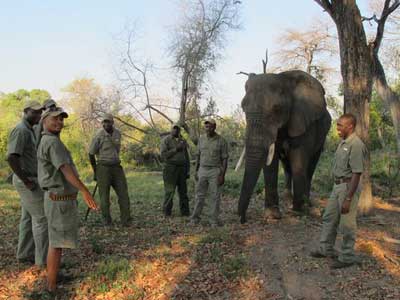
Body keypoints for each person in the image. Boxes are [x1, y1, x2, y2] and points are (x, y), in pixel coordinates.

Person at [37, 107, 99, 296]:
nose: (59, 122)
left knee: (56, 242)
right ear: (44, 120)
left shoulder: (50, 140)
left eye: (61, 119)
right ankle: (51, 288)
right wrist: (85, 191)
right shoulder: (52, 142)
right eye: (54, 119)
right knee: (56, 244)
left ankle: (53, 279)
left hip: (57, 200)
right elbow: (65, 168)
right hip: (58, 201)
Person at [310, 113, 367, 269]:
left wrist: (348, 198)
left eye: (340, 125)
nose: (337, 128)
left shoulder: (356, 144)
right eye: (337, 125)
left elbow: (357, 173)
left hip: (348, 187)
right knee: (329, 217)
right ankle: (326, 248)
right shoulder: (343, 143)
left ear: (350, 126)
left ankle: (347, 256)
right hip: (337, 186)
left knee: (347, 223)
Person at [6, 100, 48, 267]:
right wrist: (26, 181)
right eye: (35, 112)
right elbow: (11, 157)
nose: (39, 115)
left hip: (30, 178)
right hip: (27, 180)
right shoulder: (21, 130)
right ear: (25, 112)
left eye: (40, 112)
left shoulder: (30, 130)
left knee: (28, 217)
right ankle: (44, 263)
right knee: (42, 219)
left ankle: (24, 254)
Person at [89, 113, 131, 226]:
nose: (105, 124)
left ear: (112, 122)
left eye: (108, 121)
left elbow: (117, 150)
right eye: (104, 122)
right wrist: (95, 171)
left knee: (123, 194)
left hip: (116, 167)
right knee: (104, 197)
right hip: (103, 167)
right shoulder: (98, 135)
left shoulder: (118, 133)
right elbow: (91, 154)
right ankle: (107, 221)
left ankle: (126, 220)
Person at [190, 119, 228, 226]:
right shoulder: (201, 139)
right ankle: (195, 219)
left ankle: (213, 221)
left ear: (215, 127)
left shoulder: (221, 141)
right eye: (206, 127)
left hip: (215, 171)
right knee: (199, 196)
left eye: (210, 126)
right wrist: (196, 171)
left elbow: (224, 159)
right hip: (202, 169)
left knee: (214, 197)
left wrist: (222, 175)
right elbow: (198, 155)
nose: (208, 129)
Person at [160, 124, 190, 216]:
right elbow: (164, 156)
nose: (176, 131)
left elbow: (186, 156)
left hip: (182, 168)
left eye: (178, 129)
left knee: (183, 192)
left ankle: (185, 212)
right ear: (171, 130)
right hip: (170, 168)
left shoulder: (183, 140)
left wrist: (187, 170)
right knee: (169, 191)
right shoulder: (166, 140)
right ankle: (167, 212)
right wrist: (176, 149)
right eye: (174, 129)